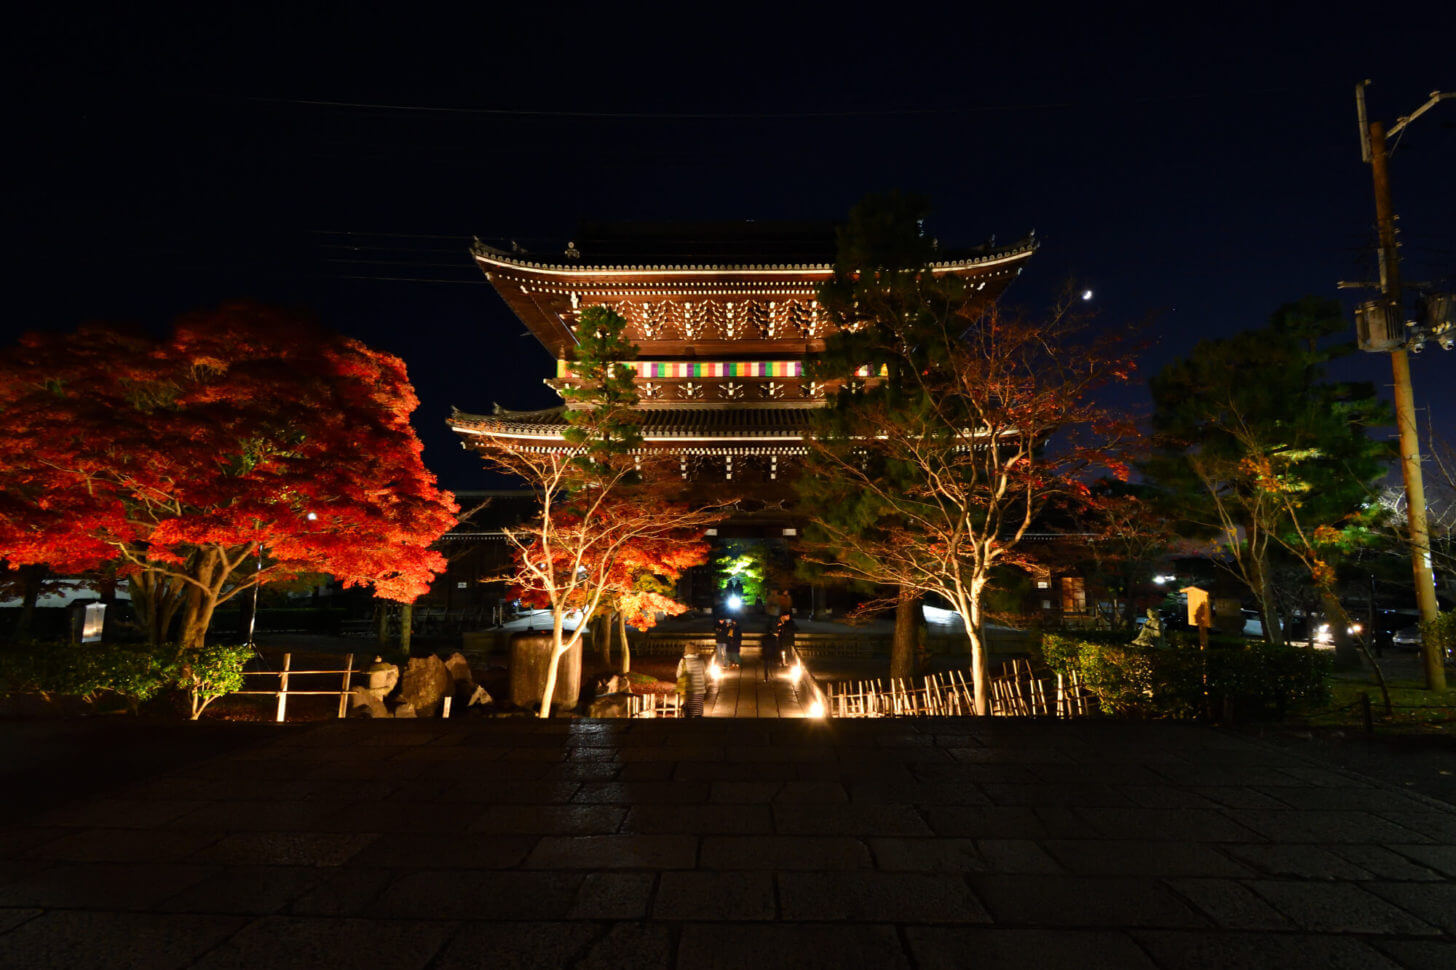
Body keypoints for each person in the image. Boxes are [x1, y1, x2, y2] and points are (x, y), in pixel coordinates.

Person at [676, 644, 707, 717]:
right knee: (698, 712)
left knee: (688, 711)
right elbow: (705, 675)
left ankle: (689, 726)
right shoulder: (701, 661)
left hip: (688, 691)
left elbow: (678, 675)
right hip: (700, 691)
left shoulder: (683, 662)